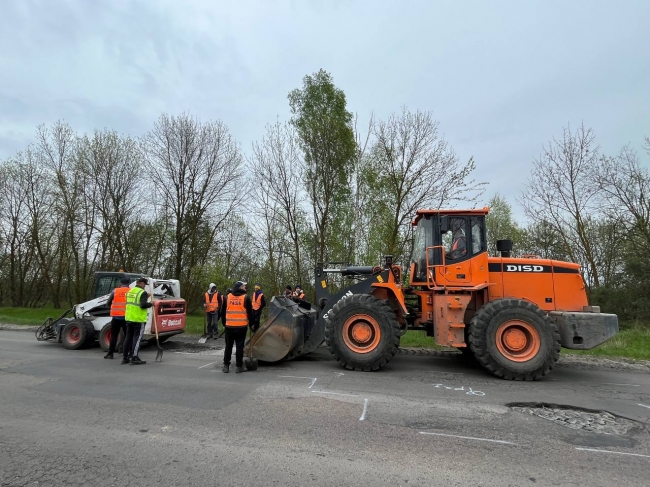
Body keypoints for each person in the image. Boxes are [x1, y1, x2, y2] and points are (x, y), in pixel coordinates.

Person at [220, 281, 253, 374]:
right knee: (239, 347)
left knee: (228, 346)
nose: (245, 287)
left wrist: (224, 323)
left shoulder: (228, 297)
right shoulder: (246, 297)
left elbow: (223, 312)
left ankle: (226, 366)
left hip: (229, 326)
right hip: (241, 327)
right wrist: (251, 324)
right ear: (240, 287)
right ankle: (239, 366)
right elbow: (250, 313)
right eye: (244, 286)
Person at [122, 277, 153, 365]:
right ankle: (134, 357)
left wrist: (146, 297)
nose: (145, 286)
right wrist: (151, 304)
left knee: (128, 338)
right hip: (138, 319)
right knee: (137, 339)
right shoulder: (142, 292)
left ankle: (125, 357)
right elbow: (143, 305)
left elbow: (135, 301)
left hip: (129, 318)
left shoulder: (130, 291)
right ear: (141, 283)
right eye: (145, 285)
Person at [104, 277, 130, 359]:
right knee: (128, 336)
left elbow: (108, 303)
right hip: (127, 317)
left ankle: (110, 353)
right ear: (129, 283)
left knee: (114, 336)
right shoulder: (131, 291)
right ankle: (127, 353)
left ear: (121, 283)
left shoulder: (115, 291)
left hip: (116, 317)